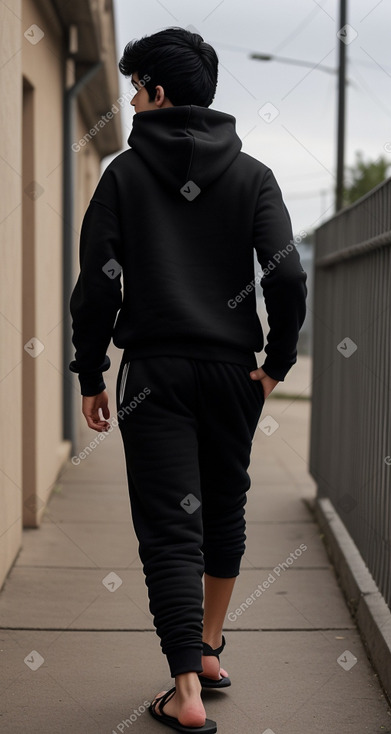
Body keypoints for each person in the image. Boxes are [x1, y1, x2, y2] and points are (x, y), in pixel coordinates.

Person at [69, 27, 307, 733]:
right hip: (233, 372)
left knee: (172, 531)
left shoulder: (123, 173)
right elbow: (287, 275)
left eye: (134, 87)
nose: (130, 102)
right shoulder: (252, 173)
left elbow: (97, 287)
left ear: (157, 92)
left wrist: (91, 371)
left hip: (155, 376)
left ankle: (185, 694)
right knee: (223, 511)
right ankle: (206, 649)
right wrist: (274, 365)